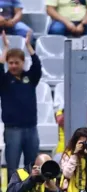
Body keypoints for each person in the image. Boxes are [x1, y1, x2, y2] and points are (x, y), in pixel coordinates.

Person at [0, 31, 41, 182]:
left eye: (17, 62)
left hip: (31, 128)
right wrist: (5, 48)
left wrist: (29, 46)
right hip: (13, 130)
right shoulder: (4, 81)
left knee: (32, 167)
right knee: (13, 167)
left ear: (23, 63)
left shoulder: (29, 78)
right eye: (10, 63)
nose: (14, 65)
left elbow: (37, 66)